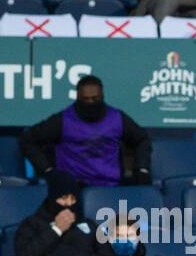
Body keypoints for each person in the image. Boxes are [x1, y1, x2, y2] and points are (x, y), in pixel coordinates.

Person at [19, 77, 153, 189]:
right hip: (73, 188)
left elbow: (142, 139)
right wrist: (48, 170)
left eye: (95, 99)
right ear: (77, 97)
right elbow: (28, 139)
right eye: (85, 99)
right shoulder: (63, 120)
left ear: (102, 96)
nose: (90, 103)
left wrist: (142, 168)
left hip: (111, 187)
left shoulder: (117, 118)